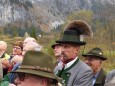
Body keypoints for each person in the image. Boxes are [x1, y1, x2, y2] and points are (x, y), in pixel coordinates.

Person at [55, 20, 93, 86]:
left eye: (66, 47)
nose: (62, 50)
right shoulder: (57, 68)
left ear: (77, 50)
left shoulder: (85, 71)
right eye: (62, 46)